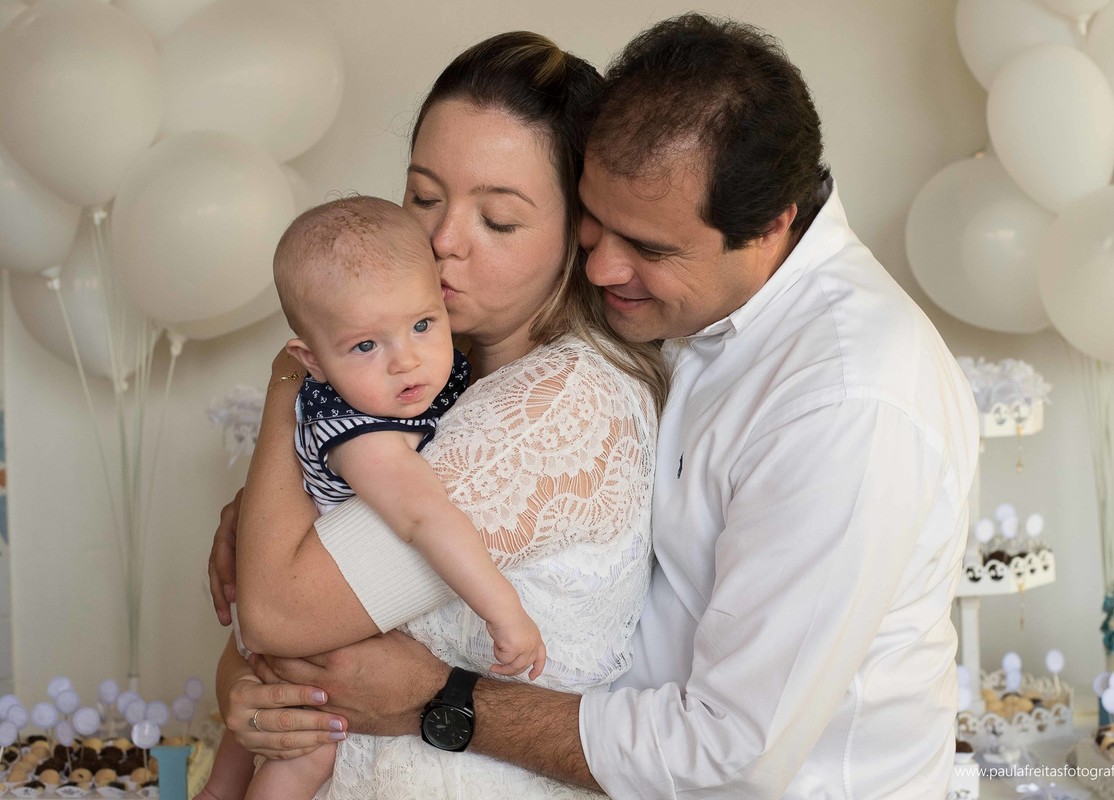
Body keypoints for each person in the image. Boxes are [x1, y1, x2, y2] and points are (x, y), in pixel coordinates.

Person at [211, 15, 979, 799]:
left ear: (773, 223)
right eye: (420, 195)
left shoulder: (845, 402)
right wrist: (289, 508)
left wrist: (441, 699)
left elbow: (733, 752)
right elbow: (281, 625)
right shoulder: (628, 324)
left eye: (503, 219)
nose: (605, 266)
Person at [207, 31, 669, 799]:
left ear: (576, 232)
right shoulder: (436, 380)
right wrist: (251, 698)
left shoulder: (555, 405)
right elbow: (259, 635)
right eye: (423, 197)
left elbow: (278, 611)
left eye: (499, 220)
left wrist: (290, 381)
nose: (442, 241)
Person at [202, 196, 548, 800]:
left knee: (256, 737)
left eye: (422, 325)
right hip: (313, 609)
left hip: (299, 583)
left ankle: (218, 789)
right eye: (366, 346)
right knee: (305, 756)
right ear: (311, 361)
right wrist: (502, 609)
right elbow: (422, 515)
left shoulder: (414, 380)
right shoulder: (360, 432)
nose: (406, 361)